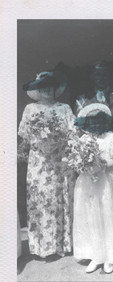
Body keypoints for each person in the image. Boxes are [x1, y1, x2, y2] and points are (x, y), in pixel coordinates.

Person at [18, 71, 77, 258]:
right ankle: (42, 247)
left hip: (60, 161)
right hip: (39, 161)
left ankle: (62, 244)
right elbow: (24, 137)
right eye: (42, 86)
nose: (46, 89)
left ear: (55, 88)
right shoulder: (30, 109)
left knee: (60, 199)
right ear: (37, 88)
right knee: (41, 201)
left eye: (50, 85)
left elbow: (73, 134)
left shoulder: (64, 108)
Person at [73, 104, 113, 274]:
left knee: (107, 215)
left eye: (99, 121)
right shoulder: (83, 141)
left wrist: (99, 165)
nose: (95, 125)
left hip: (107, 182)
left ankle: (110, 256)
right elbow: (77, 163)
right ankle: (95, 254)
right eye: (91, 122)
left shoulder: (112, 139)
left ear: (106, 122)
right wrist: (82, 165)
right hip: (88, 183)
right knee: (91, 216)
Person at [75, 60, 113, 199]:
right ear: (92, 77)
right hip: (91, 149)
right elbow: (80, 126)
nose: (101, 78)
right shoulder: (83, 99)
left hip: (112, 149)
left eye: (105, 75)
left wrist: (110, 140)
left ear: (110, 77)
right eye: (97, 75)